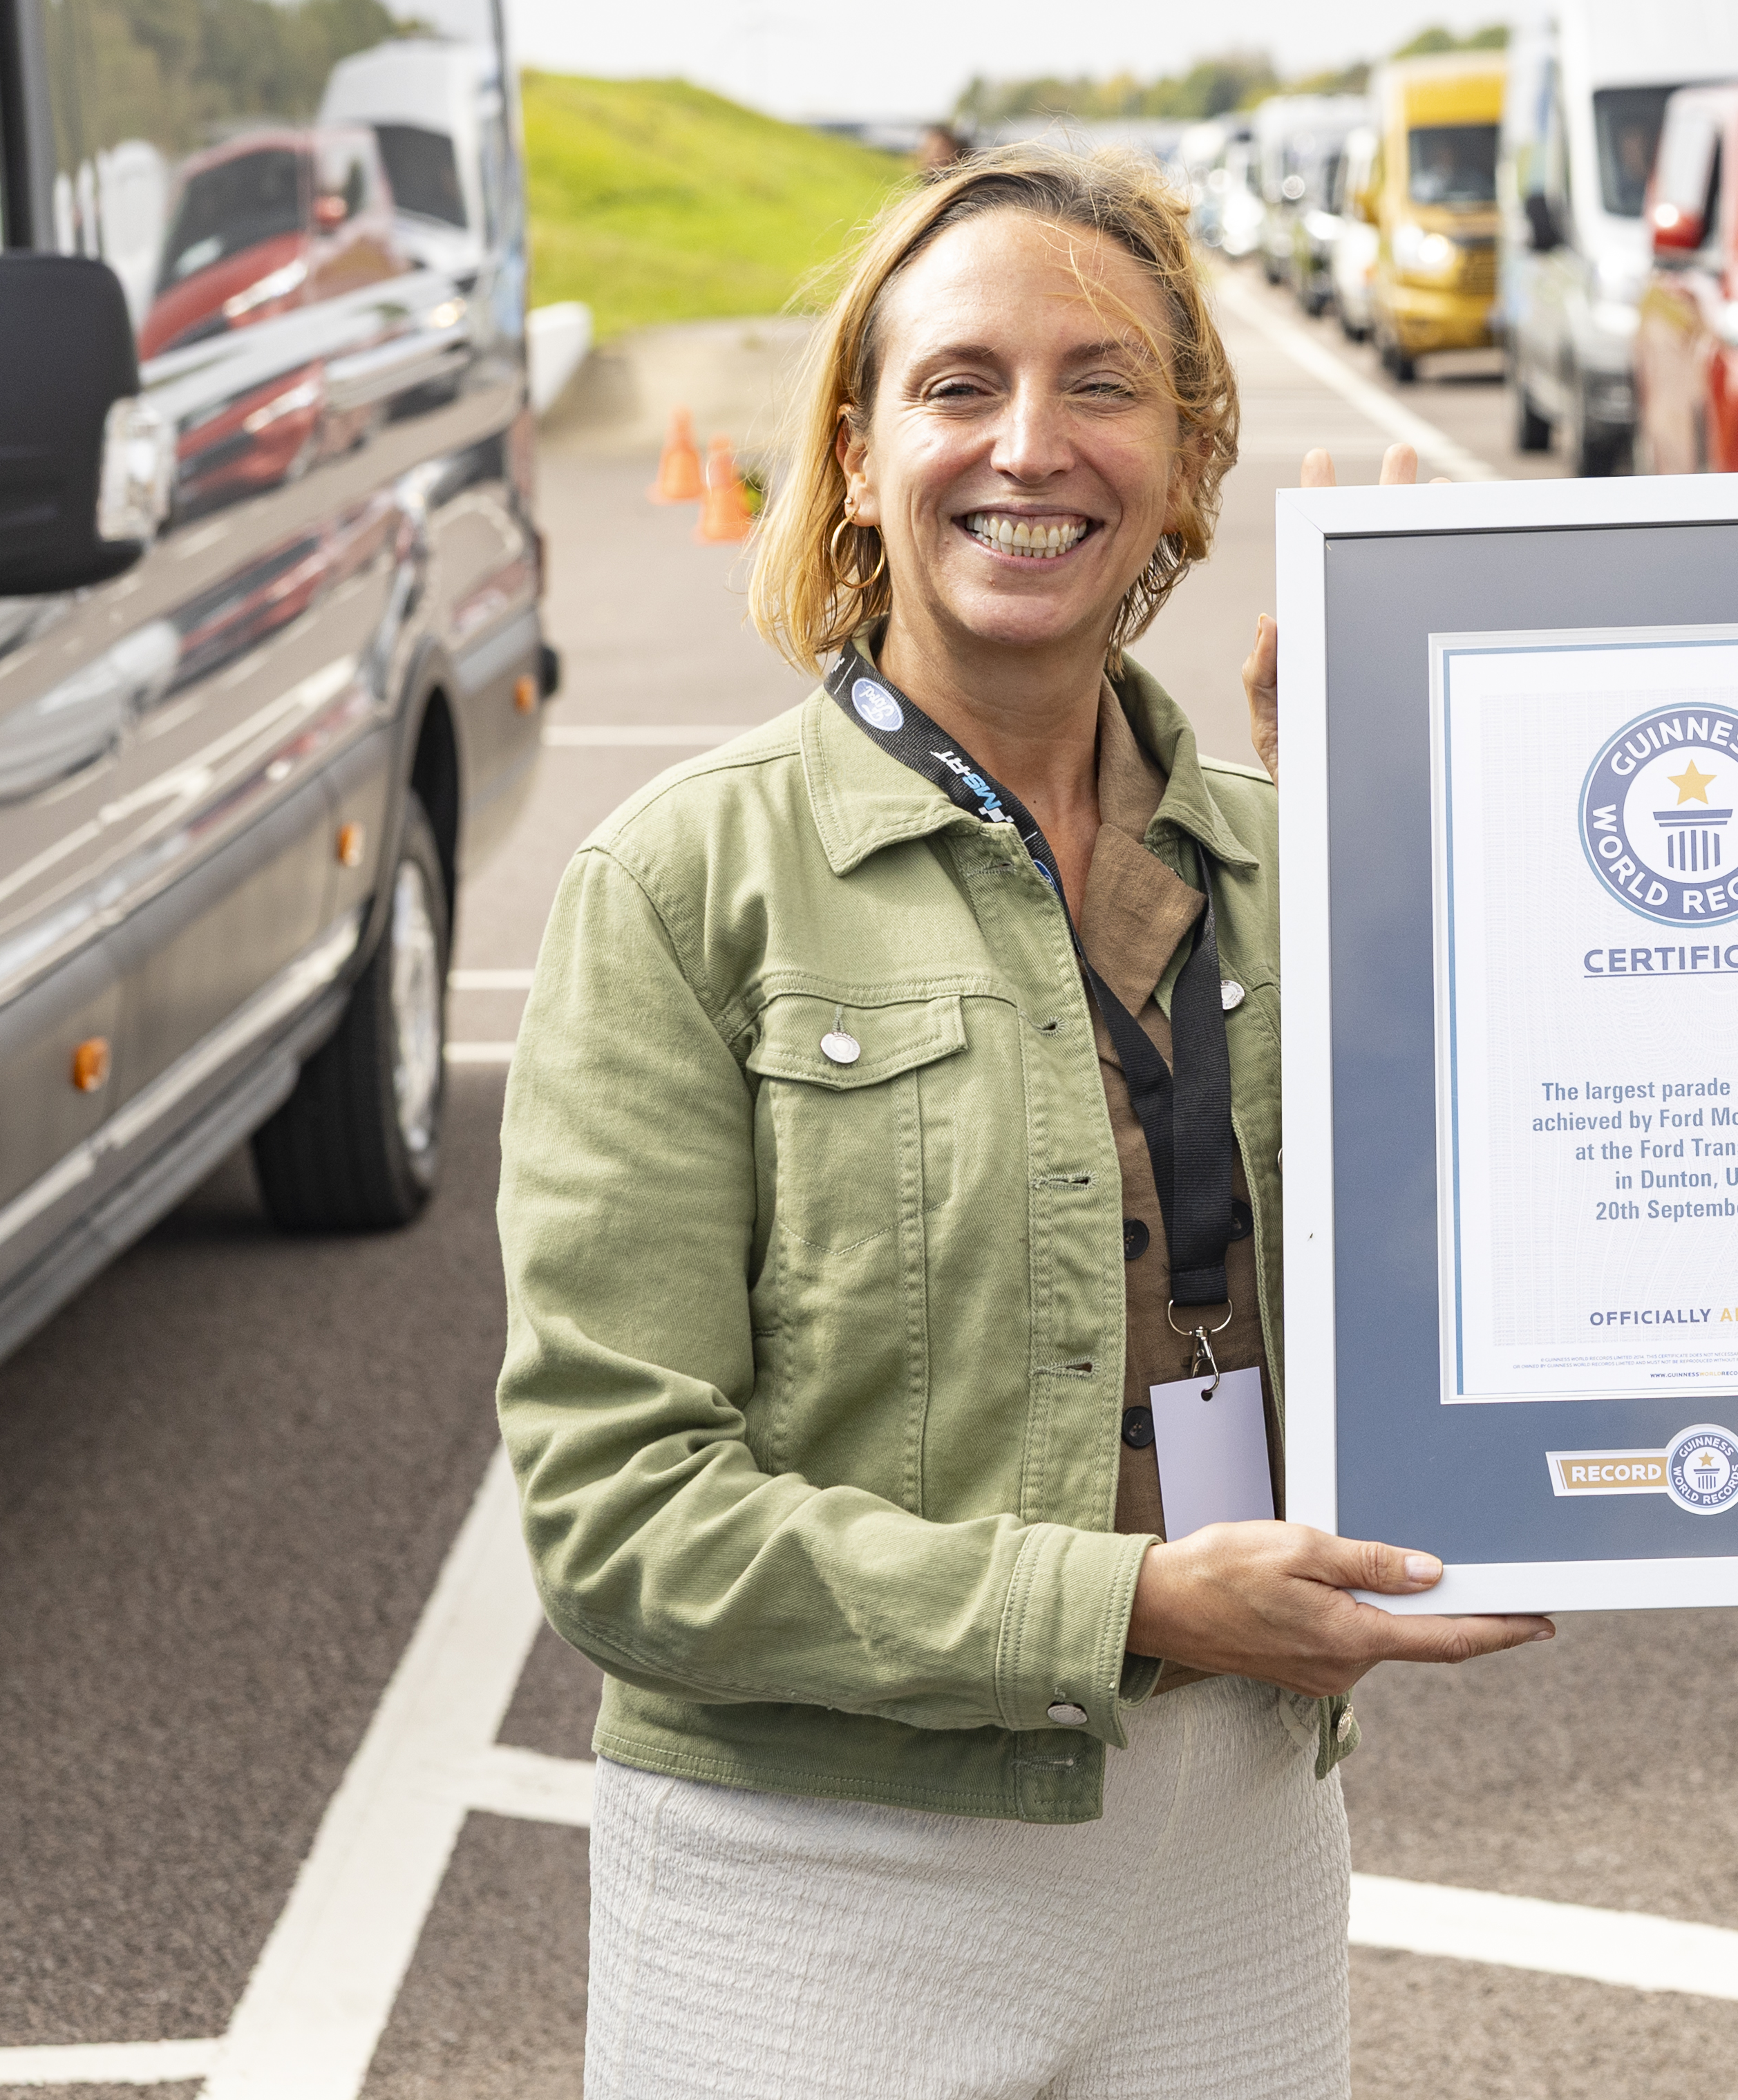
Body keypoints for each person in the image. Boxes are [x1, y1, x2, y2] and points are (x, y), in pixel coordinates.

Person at [497, 144, 1549, 2100]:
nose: (1030, 446)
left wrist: (1411, 817)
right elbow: (618, 1520)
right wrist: (1132, 1599)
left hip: (1233, 1826)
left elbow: (1542, 1233)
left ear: (1189, 448)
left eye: (1103, 383)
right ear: (858, 443)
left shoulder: (1302, 860)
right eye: (961, 384)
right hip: (810, 1880)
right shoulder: (681, 884)